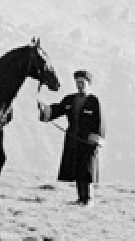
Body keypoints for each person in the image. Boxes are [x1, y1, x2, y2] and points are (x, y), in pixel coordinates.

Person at [39, 69, 105, 205]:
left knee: (86, 170)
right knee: (76, 169)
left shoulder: (94, 101)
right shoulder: (70, 99)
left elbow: (100, 122)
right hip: (73, 140)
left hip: (87, 142)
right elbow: (58, 109)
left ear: (88, 84)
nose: (80, 85)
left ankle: (88, 199)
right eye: (78, 83)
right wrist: (45, 110)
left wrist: (96, 139)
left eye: (82, 83)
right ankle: (80, 198)